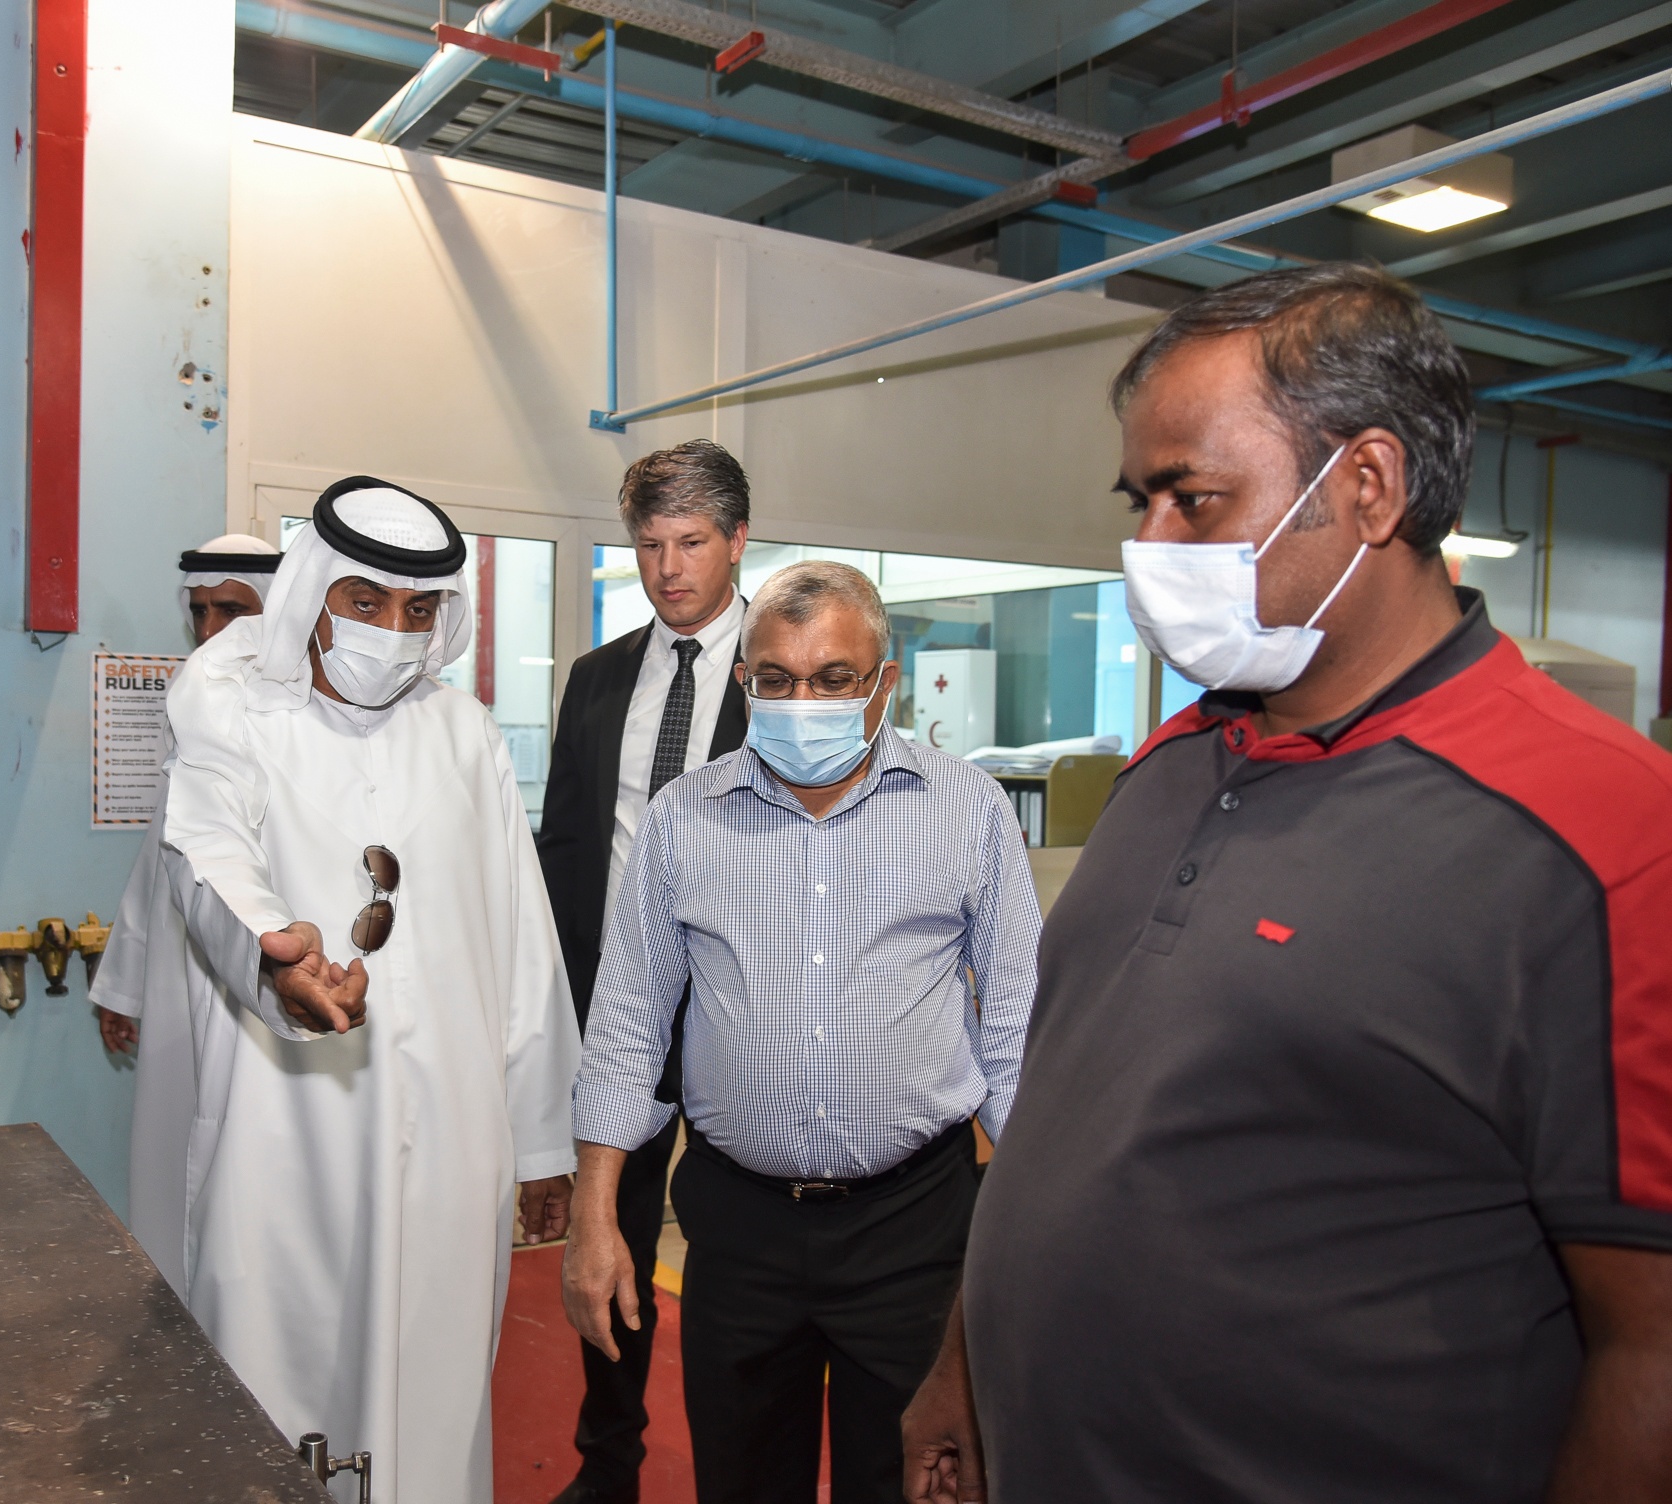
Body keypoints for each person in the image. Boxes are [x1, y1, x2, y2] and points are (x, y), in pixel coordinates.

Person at [904, 263, 1672, 1504]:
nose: (1149, 546)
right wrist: (966, 1359)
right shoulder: (1170, 766)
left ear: (1367, 486)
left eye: (1193, 499)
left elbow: (1666, 1342)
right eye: (1140, 501)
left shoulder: (1610, 837)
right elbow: (1064, 1118)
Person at [567, 561, 1040, 1504]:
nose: (802, 703)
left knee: (909, 1480)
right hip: (739, 1229)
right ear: (746, 681)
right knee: (743, 1482)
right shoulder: (683, 818)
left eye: (833, 679)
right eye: (777, 680)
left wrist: (1036, 1222)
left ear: (884, 682)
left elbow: (1016, 1029)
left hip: (916, 1227)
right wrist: (593, 1215)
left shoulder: (968, 808)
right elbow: (626, 1025)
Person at [159, 477, 581, 1504]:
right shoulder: (237, 711)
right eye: (365, 602)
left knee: (433, 1397)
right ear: (314, 596)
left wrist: (539, 1140)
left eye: (418, 608)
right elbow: (205, 852)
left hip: (452, 1139)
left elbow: (524, 943)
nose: (392, 632)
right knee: (274, 1381)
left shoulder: (465, 734)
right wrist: (273, 956)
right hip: (284, 1128)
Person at [534, 439, 751, 1504]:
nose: (669, 569)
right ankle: (607, 1462)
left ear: (737, 541)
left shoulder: (788, 670)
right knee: (609, 1243)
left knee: (732, 1254)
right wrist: (557, 999)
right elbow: (566, 847)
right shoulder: (598, 677)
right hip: (620, 1005)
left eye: (691, 543)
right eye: (650, 546)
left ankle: (736, 1467)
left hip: (740, 1009)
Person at [91, 533, 279, 1298]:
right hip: (180, 966)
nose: (210, 630)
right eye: (199, 611)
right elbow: (159, 852)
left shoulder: (303, 709)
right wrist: (125, 983)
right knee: (175, 1143)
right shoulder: (193, 700)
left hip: (267, 975)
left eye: (231, 610)